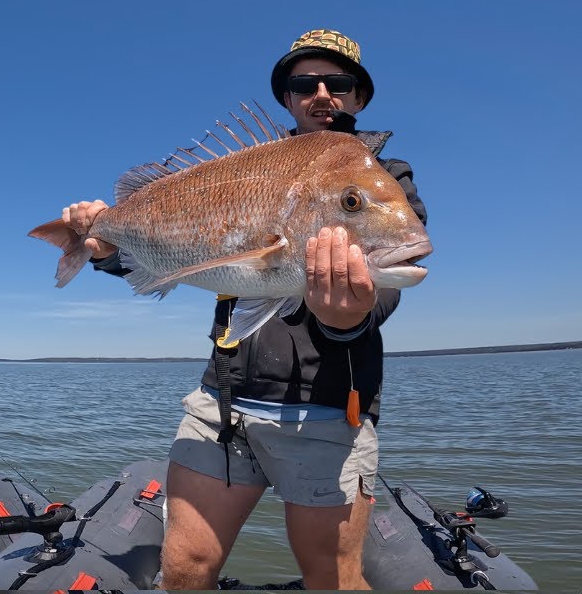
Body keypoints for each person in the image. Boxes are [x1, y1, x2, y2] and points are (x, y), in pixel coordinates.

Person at [60, 29, 427, 590]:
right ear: (288, 98)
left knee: (332, 576)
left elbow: (385, 294)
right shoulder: (246, 167)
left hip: (328, 410)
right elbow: (183, 259)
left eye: (340, 82)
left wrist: (349, 316)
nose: (322, 93)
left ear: (358, 98)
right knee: (183, 569)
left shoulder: (387, 176)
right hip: (221, 404)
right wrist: (106, 249)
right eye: (305, 83)